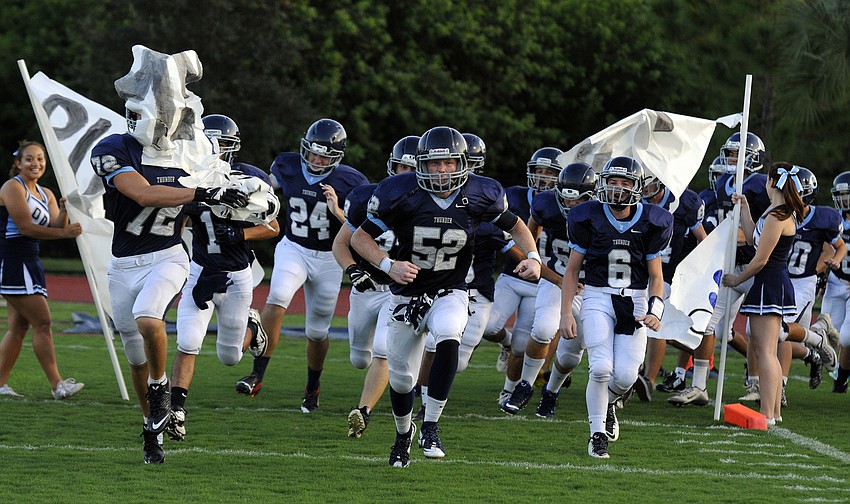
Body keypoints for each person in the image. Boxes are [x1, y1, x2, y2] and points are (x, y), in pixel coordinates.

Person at [90, 46, 250, 464]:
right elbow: (141, 193)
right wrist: (202, 190)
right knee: (134, 356)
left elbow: (245, 200)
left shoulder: (191, 155)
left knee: (148, 318)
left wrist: (252, 199)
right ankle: (151, 430)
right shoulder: (113, 148)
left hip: (168, 256)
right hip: (123, 264)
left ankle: (163, 387)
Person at [351, 126, 541, 468]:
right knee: (400, 378)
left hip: (450, 290)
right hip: (406, 294)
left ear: (461, 163)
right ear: (421, 164)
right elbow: (359, 238)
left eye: (449, 163)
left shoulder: (482, 193)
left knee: (450, 336)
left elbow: (515, 226)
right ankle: (402, 435)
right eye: (434, 163)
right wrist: (388, 264)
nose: (442, 170)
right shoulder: (399, 192)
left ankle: (431, 424)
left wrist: (533, 257)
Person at [238, 118, 368, 413]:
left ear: (336, 158)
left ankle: (312, 385)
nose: (316, 159)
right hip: (293, 247)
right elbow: (263, 192)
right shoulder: (287, 165)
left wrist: (337, 211)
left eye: (324, 155)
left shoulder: (352, 181)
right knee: (279, 296)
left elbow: (360, 228)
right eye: (312, 152)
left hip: (329, 257)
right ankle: (257, 373)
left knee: (317, 331)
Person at [165, 114, 281, 442]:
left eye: (221, 143)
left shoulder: (248, 178)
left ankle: (252, 327)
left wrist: (240, 235)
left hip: (236, 277)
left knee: (230, 357)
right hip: (201, 271)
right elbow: (177, 223)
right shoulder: (188, 177)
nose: (214, 149)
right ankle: (177, 410)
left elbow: (274, 226)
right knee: (187, 341)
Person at [559, 155, 672, 458]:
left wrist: (655, 310)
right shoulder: (587, 216)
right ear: (603, 183)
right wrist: (566, 311)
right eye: (613, 181)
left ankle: (608, 403)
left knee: (624, 376)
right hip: (597, 295)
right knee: (600, 367)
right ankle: (596, 434)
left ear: (637, 187)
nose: (617, 188)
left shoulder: (651, 221)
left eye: (625, 182)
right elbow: (571, 271)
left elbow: (656, 277)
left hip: (634, 299)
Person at [668, 132, 770, 407]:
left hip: (758, 267)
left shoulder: (760, 185)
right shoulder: (725, 182)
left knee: (767, 332)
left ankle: (771, 381)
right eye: (730, 152)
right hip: (728, 267)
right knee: (707, 323)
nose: (731, 158)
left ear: (753, 158)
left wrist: (724, 237)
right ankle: (699, 386)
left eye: (737, 153)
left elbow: (762, 229)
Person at [333, 135, 417, 439]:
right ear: (391, 166)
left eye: (412, 167)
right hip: (366, 290)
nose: (405, 173)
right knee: (360, 358)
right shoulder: (366, 197)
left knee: (384, 350)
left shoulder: (426, 206)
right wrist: (353, 271)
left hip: (398, 293)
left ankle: (364, 411)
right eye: (400, 166)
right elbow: (340, 244)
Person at [721, 162, 806, 425]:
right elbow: (750, 237)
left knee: (766, 351)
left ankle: (769, 412)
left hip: (770, 282)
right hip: (770, 283)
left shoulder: (777, 216)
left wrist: (736, 278)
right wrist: (745, 207)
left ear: (772, 182)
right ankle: (773, 412)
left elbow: (760, 260)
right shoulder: (774, 212)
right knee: (765, 349)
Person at [0, 140, 84, 399]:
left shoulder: (45, 193)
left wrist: (67, 208)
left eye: (40, 159)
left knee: (19, 327)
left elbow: (56, 222)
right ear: (18, 163)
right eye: (29, 159)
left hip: (31, 261)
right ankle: (58, 385)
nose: (35, 163)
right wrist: (63, 234)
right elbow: (26, 227)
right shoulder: (12, 187)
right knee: (43, 323)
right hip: (13, 260)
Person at [490, 147, 561, 411]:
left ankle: (509, 390)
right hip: (513, 275)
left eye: (549, 173)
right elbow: (501, 232)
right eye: (538, 171)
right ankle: (505, 344)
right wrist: (523, 258)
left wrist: (544, 272)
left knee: (524, 341)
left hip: (543, 283)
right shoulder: (513, 195)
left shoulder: (567, 205)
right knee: (488, 327)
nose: (542, 178)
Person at [529, 162, 597, 418]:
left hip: (592, 288)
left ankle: (551, 391)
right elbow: (528, 232)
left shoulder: (602, 213)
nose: (570, 205)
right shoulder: (546, 204)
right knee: (543, 328)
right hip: (558, 278)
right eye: (565, 198)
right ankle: (523, 385)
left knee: (570, 358)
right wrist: (532, 257)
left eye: (577, 199)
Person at [633, 171, 707, 401]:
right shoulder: (633, 200)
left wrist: (698, 270)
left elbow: (701, 239)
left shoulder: (684, 203)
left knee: (656, 322)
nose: (644, 191)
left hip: (668, 274)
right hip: (637, 270)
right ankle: (635, 373)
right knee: (636, 321)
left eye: (649, 185)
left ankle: (648, 379)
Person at [821, 171, 850, 393]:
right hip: (836, 281)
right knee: (830, 333)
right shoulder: (834, 218)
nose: (843, 200)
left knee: (848, 338)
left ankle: (841, 378)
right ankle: (839, 377)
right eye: (841, 196)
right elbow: (822, 248)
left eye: (847, 195)